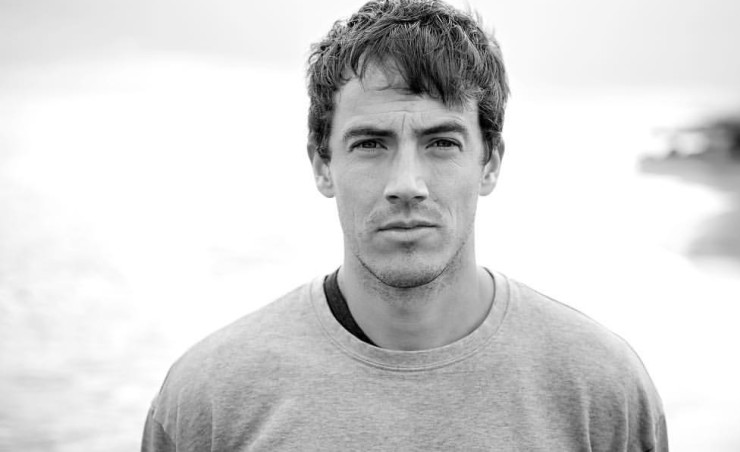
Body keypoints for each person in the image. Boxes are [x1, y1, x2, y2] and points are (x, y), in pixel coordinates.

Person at [141, 0, 668, 450]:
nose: (407, 184)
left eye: (442, 143)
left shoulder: (602, 389)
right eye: (371, 143)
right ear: (322, 165)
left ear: (489, 163)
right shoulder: (209, 398)